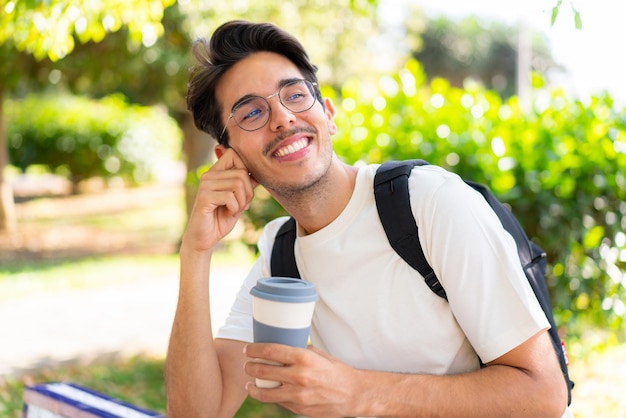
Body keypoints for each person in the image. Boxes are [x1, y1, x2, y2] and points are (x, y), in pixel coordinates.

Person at [165, 20, 569, 418]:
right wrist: (196, 252)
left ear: (328, 114)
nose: (283, 118)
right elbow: (198, 413)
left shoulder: (429, 203)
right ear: (228, 160)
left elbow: (543, 394)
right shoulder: (281, 254)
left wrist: (358, 393)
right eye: (251, 112)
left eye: (294, 95)